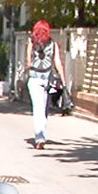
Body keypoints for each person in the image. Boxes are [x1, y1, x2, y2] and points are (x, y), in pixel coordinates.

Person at [24, 20, 65, 149]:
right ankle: (41, 134)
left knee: (38, 108)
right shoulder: (53, 44)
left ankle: (40, 137)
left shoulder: (31, 42)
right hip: (48, 79)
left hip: (34, 78)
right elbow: (57, 63)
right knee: (45, 109)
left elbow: (28, 61)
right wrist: (63, 80)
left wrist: (29, 67)